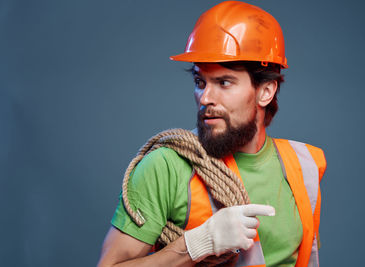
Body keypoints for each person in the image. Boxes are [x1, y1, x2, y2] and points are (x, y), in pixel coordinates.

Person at [97, 1, 326, 267]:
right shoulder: (167, 167)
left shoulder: (305, 164)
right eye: (199, 82)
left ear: (266, 91)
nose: (205, 97)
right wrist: (196, 245)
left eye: (224, 82)